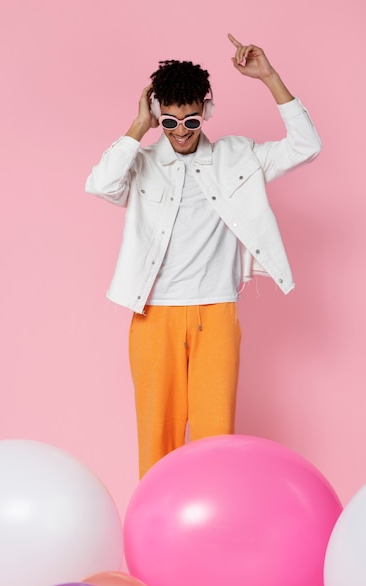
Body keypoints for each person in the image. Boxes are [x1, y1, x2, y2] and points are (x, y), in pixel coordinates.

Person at [85, 34, 321, 478]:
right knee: (156, 439)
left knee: (217, 443)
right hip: (153, 316)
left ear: (206, 112)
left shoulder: (238, 156)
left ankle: (213, 537)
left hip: (216, 313)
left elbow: (306, 146)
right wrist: (139, 127)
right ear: (159, 117)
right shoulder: (142, 161)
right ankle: (157, 541)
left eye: (190, 121)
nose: (180, 133)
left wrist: (270, 78)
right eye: (169, 123)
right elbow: (100, 185)